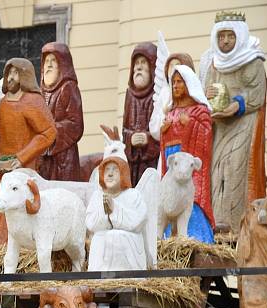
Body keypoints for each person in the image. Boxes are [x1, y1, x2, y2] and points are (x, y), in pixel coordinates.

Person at [202, 11, 267, 232]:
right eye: (222, 36)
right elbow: (205, 93)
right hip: (220, 125)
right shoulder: (214, 64)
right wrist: (207, 93)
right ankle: (218, 224)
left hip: (243, 124)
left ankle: (236, 227)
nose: (226, 41)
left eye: (230, 36)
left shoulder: (252, 59)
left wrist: (237, 104)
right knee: (216, 173)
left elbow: (257, 93)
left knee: (234, 169)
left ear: (239, 35)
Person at [0, 58, 56, 245]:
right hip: (3, 169)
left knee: (19, 208)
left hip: (23, 169)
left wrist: (22, 157)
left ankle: (20, 250)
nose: (11, 77)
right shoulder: (2, 103)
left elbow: (48, 132)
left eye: (16, 73)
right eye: (9, 72)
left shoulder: (33, 101)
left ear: (25, 76)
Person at [159, 65, 214, 243]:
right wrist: (164, 131)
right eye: (173, 82)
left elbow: (206, 136)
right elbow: (167, 140)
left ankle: (195, 237)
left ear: (189, 84)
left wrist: (190, 124)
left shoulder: (200, 111)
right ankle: (168, 240)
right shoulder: (171, 111)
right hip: (172, 162)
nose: (175, 86)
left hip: (188, 166)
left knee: (189, 198)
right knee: (168, 200)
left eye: (180, 82)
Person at [86, 158, 149, 271]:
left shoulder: (133, 195)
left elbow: (138, 222)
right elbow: (91, 224)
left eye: (115, 170)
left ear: (123, 174)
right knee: (99, 237)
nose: (110, 174)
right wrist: (105, 212)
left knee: (118, 235)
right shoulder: (97, 196)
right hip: (102, 245)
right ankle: (100, 278)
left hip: (129, 246)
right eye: (106, 170)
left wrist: (114, 209)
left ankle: (128, 277)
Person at [39, 42, 85, 181]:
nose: (49, 65)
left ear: (63, 64)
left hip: (64, 158)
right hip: (44, 157)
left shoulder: (68, 88)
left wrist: (52, 130)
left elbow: (76, 124)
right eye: (47, 61)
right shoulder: (39, 92)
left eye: (54, 60)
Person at [123, 43, 160, 185]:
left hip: (152, 162)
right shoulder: (129, 95)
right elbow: (124, 129)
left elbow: (163, 129)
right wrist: (130, 138)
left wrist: (148, 139)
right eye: (136, 63)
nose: (138, 67)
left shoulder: (158, 94)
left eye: (143, 62)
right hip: (133, 162)